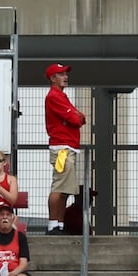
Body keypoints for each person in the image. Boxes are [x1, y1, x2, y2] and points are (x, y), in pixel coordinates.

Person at [43, 63, 85, 234]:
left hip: (68, 147)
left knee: (65, 190)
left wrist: (76, 117)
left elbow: (79, 117)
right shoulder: (54, 96)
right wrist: (75, 118)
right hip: (62, 148)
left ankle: (59, 224)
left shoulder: (62, 96)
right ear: (52, 78)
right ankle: (53, 224)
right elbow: (76, 119)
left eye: (65, 73)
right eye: (61, 74)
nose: (65, 77)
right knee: (59, 187)